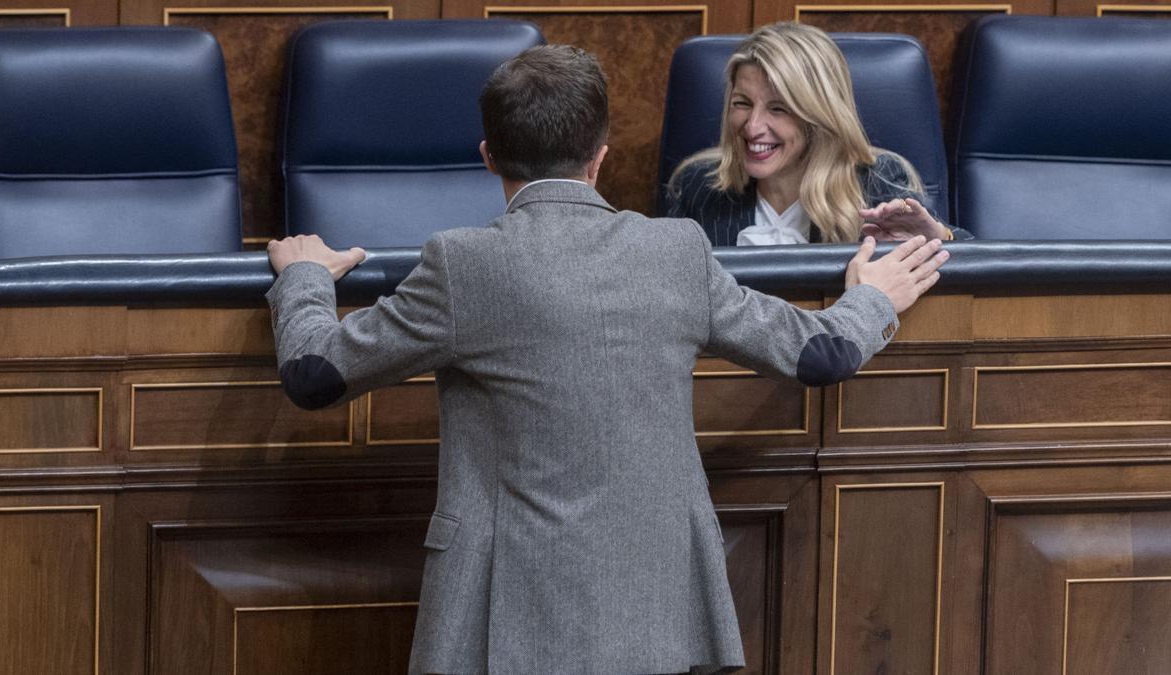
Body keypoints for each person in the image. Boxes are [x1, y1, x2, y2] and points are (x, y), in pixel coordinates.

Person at [265, 44, 948, 674]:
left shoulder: (461, 263)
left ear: (488, 157)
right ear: (600, 156)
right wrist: (873, 297)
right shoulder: (676, 251)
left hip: (504, 614)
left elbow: (313, 371)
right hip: (653, 609)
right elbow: (820, 353)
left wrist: (304, 276)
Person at [668, 21, 973, 246]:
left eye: (779, 108)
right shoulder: (698, 187)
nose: (752, 126)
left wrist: (938, 238)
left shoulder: (877, 182)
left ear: (819, 116)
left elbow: (977, 263)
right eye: (742, 104)